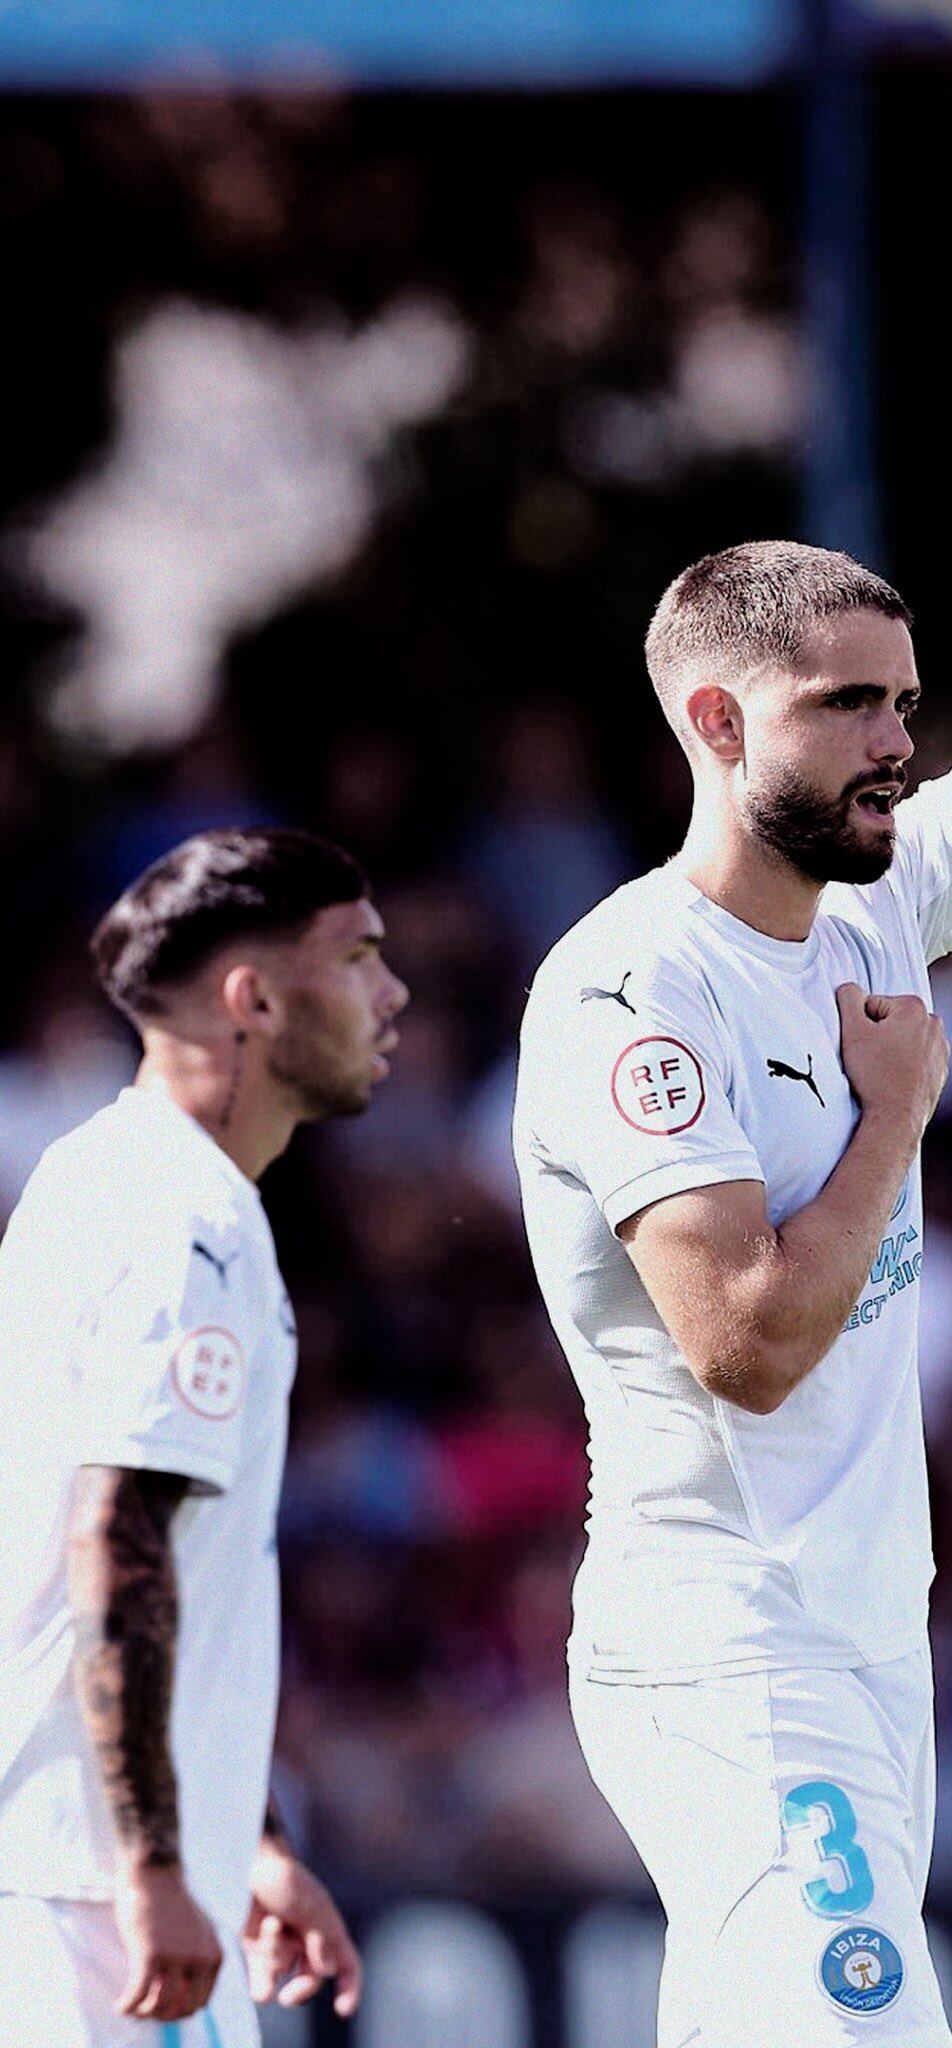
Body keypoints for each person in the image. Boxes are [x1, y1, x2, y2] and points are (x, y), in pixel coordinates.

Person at [513, 106, 952, 2047]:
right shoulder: (630, 990)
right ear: (718, 717)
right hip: (727, 1649)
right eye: (852, 706)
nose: (903, 743)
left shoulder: (878, 912)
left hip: (858, 1643)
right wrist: (901, 1110)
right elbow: (741, 1335)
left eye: (906, 698)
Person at [0, 828, 407, 2046]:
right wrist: (156, 1866)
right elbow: (114, 1534)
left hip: (95, 1876)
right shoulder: (183, 1220)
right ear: (256, 996)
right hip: (96, 1907)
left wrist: (250, 1838)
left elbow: (171, 1570)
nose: (392, 991)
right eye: (359, 954)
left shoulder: (112, 1180)